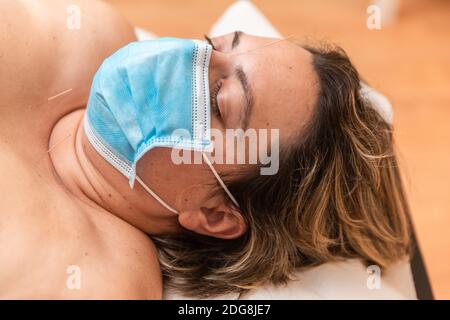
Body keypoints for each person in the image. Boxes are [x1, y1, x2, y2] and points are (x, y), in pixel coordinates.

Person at [0, 0, 410, 299]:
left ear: (215, 214)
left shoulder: (94, 280)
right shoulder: (82, 34)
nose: (185, 59)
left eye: (219, 101)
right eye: (211, 45)